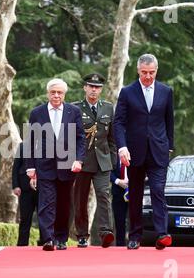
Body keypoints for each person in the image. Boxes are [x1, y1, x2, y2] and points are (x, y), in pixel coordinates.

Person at [113, 53, 174, 250]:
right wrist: (122, 147)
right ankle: (135, 236)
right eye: (144, 72)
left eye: (152, 72)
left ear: (157, 71)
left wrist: (169, 146)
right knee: (136, 194)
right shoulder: (127, 92)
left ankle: (162, 234)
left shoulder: (166, 91)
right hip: (134, 152)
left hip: (158, 151)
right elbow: (119, 122)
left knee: (157, 190)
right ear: (138, 71)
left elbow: (168, 121)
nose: (148, 76)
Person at [26, 78, 86, 251]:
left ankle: (61, 237)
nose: (56, 95)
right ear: (48, 93)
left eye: (59, 92)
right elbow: (31, 141)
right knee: (46, 202)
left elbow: (81, 138)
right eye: (53, 92)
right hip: (44, 165)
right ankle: (48, 239)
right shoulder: (37, 113)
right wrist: (30, 166)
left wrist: (78, 159)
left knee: (64, 203)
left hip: (67, 165)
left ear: (64, 94)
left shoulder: (73, 111)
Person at [72, 73, 117, 248]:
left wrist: (112, 160)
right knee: (80, 199)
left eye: (97, 87)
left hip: (102, 162)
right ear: (85, 87)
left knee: (104, 195)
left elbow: (112, 138)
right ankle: (82, 234)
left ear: (101, 90)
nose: (93, 90)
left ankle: (106, 232)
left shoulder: (108, 108)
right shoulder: (75, 108)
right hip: (82, 162)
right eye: (90, 86)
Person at [12, 141, 39, 246]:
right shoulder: (23, 145)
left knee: (44, 218)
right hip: (24, 189)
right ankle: (22, 245)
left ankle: (45, 243)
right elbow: (16, 166)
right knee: (25, 219)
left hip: (42, 188)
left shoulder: (47, 143)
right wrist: (15, 185)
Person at [110, 154, 129, 246]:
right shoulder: (113, 153)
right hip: (117, 191)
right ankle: (120, 245)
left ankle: (136, 241)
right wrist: (117, 181)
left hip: (134, 190)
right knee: (119, 221)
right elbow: (107, 170)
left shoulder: (135, 151)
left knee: (136, 219)